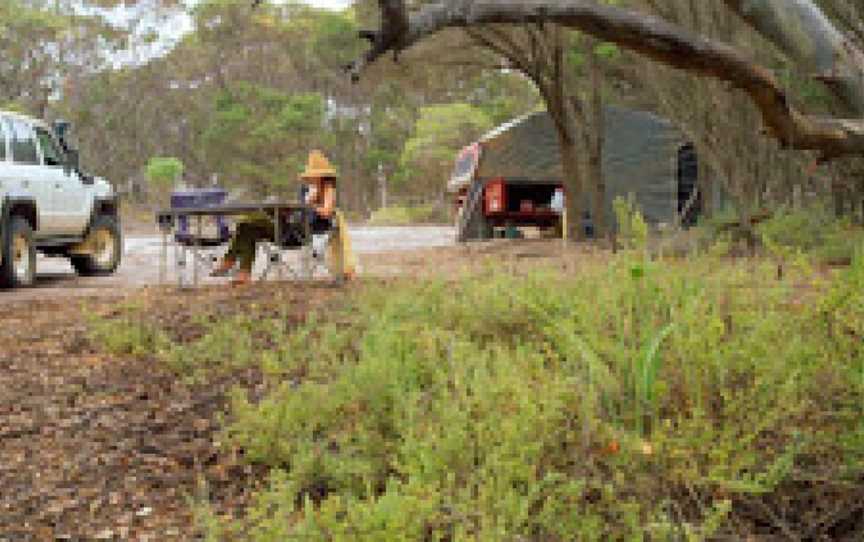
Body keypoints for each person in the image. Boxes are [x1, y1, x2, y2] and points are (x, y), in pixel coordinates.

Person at [212, 150, 344, 285]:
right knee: (247, 226)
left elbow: (326, 212)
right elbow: (299, 214)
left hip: (300, 234)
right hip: (290, 227)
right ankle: (243, 273)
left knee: (253, 218)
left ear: (322, 175)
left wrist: (309, 204)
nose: (311, 178)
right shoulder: (307, 189)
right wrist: (289, 211)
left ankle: (229, 261)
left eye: (314, 174)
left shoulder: (328, 188)